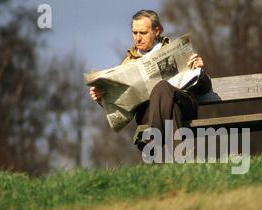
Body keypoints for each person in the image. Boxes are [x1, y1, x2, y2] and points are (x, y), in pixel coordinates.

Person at [89, 10, 212, 150]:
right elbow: (122, 105)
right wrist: (102, 98)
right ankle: (179, 161)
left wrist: (199, 71)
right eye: (134, 33)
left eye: (143, 33)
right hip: (150, 113)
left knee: (162, 87)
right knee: (172, 109)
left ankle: (153, 139)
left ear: (157, 31)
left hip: (184, 103)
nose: (138, 38)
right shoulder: (127, 63)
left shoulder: (177, 49)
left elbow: (205, 88)